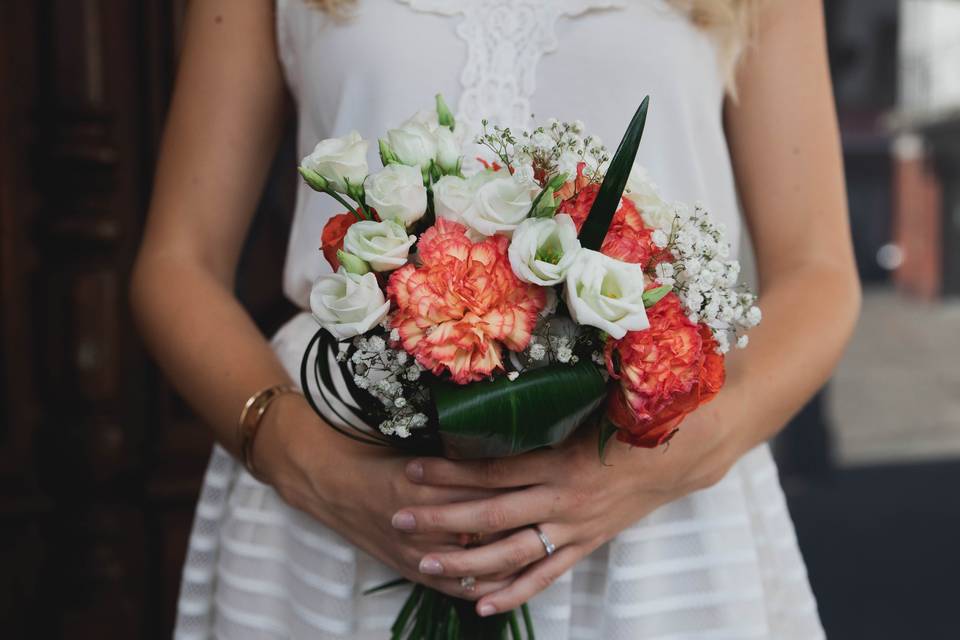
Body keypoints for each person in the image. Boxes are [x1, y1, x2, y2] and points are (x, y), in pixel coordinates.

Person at [131, 0, 859, 637]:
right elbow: (177, 263)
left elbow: (819, 274)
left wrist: (663, 466)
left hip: (652, 524)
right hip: (336, 496)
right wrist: (305, 463)